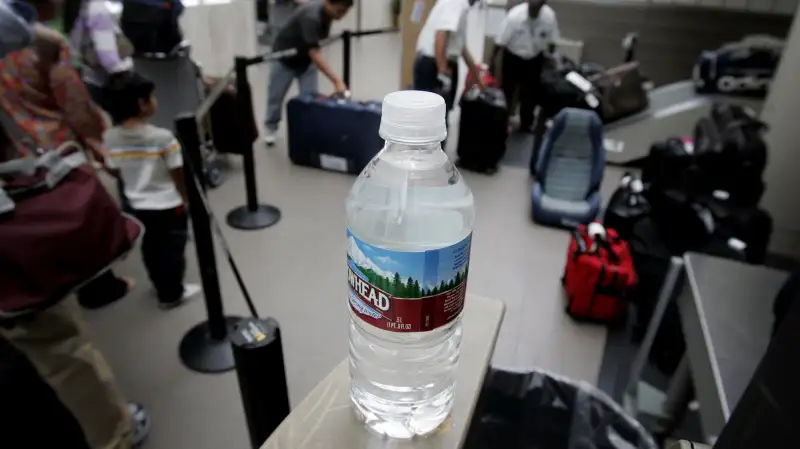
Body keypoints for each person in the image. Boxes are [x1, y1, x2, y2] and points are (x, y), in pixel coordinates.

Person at [0, 1, 149, 447]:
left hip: (16, 170)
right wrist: (99, 140)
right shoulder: (39, 41)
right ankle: (115, 433)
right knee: (54, 333)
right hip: (39, 165)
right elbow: (74, 102)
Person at [102, 71, 202, 309]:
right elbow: (177, 171)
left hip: (135, 206)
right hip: (167, 204)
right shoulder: (163, 137)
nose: (155, 101)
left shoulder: (110, 137)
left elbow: (114, 170)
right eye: (152, 97)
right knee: (172, 249)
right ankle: (172, 294)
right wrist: (186, 198)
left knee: (150, 247)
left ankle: (158, 284)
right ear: (141, 104)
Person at [263, 0, 353, 146]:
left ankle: (308, 131)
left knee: (310, 99)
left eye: (344, 12)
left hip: (305, 59)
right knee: (276, 96)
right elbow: (315, 53)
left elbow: (315, 45)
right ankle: (270, 128)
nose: (341, 16)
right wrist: (337, 81)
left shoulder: (327, 14)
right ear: (328, 4)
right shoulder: (311, 16)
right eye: (339, 11)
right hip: (284, 58)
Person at [412, 0, 486, 130]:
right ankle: (426, 149)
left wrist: (477, 78)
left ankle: (436, 147)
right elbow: (440, 36)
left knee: (440, 117)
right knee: (429, 120)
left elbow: (460, 47)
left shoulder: (462, 7)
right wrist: (442, 72)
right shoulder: (454, 3)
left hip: (442, 62)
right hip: (433, 65)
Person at [491, 0, 559, 132]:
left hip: (534, 58)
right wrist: (491, 62)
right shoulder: (515, 16)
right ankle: (504, 120)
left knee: (531, 93)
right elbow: (499, 41)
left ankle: (526, 123)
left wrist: (550, 57)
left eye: (537, 7)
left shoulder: (549, 17)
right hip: (513, 56)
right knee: (508, 91)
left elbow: (552, 40)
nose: (534, 9)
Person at [63, 0, 134, 110]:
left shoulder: (92, 5)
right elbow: (105, 47)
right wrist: (121, 73)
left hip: (92, 76)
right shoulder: (99, 6)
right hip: (104, 80)